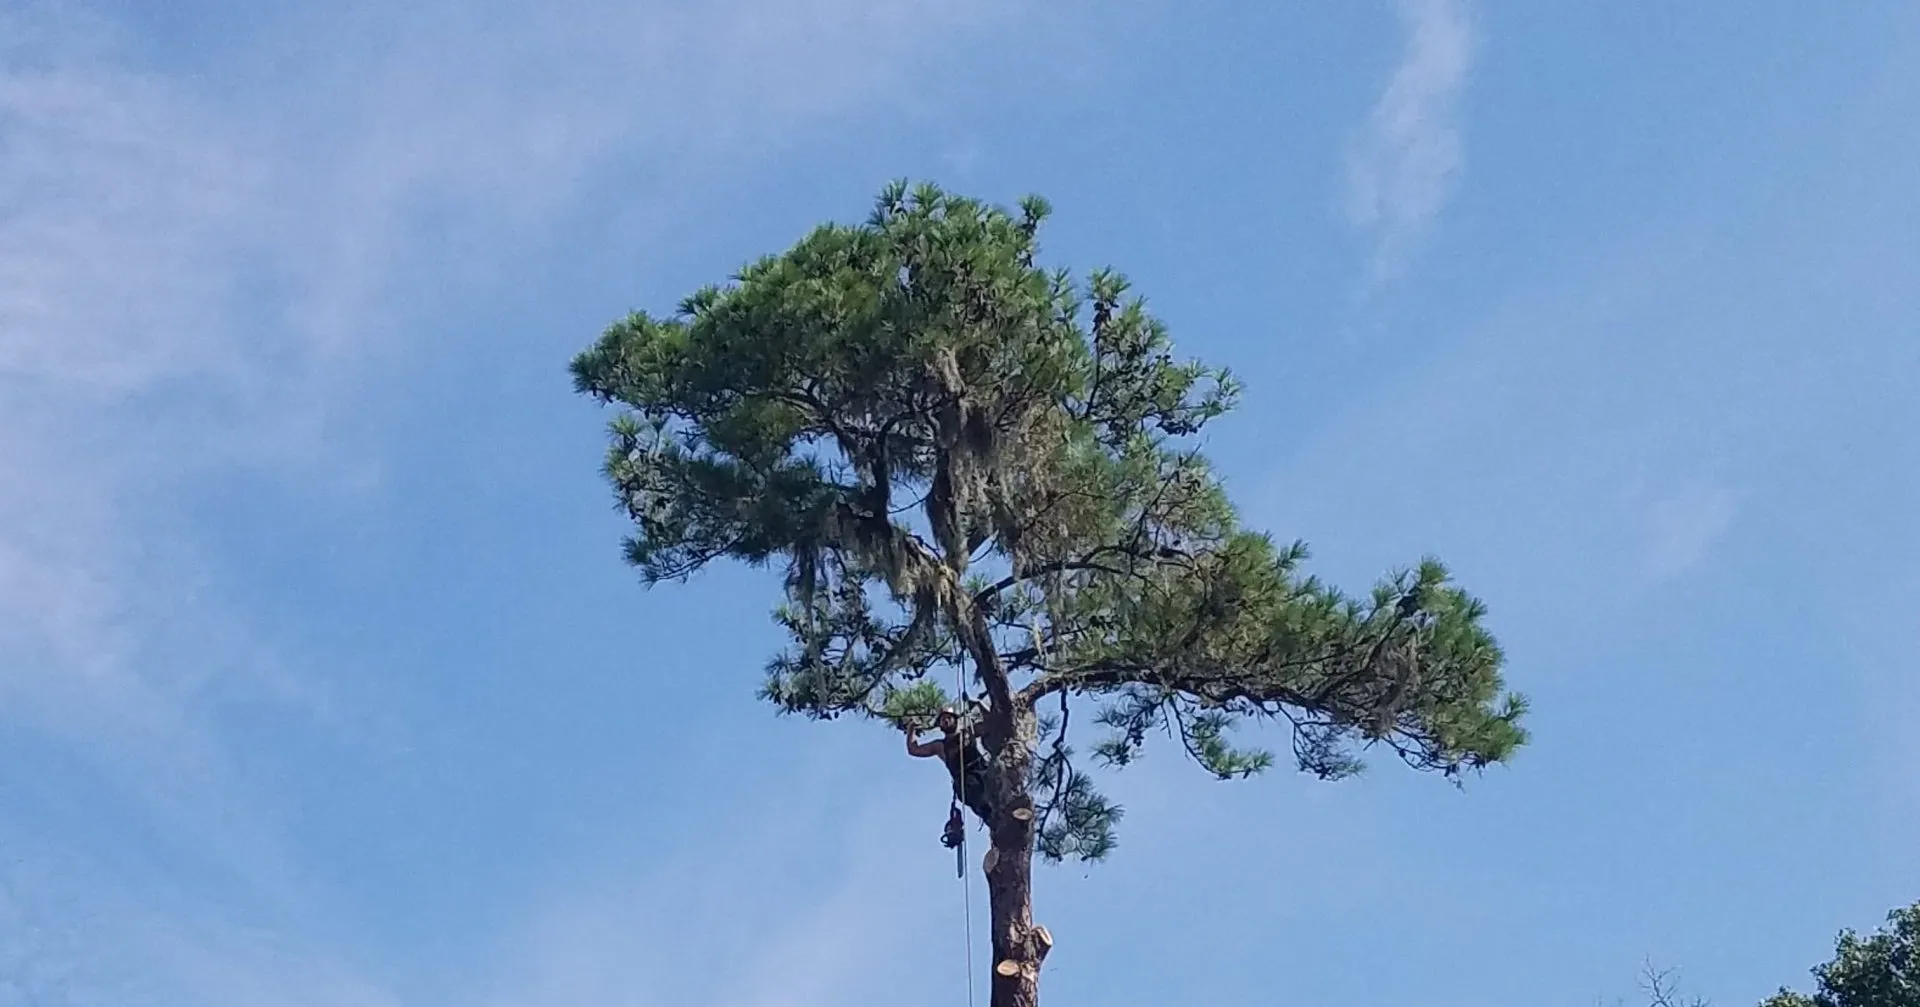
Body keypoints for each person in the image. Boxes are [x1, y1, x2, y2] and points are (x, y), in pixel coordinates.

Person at [906, 706, 993, 846]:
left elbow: (990, 725)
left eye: (948, 718)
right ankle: (990, 817)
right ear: (939, 726)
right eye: (942, 720)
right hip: (967, 784)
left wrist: (978, 705)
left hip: (984, 773)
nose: (946, 721)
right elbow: (914, 750)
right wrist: (911, 730)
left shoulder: (968, 732)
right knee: (975, 795)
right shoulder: (940, 746)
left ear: (956, 720)